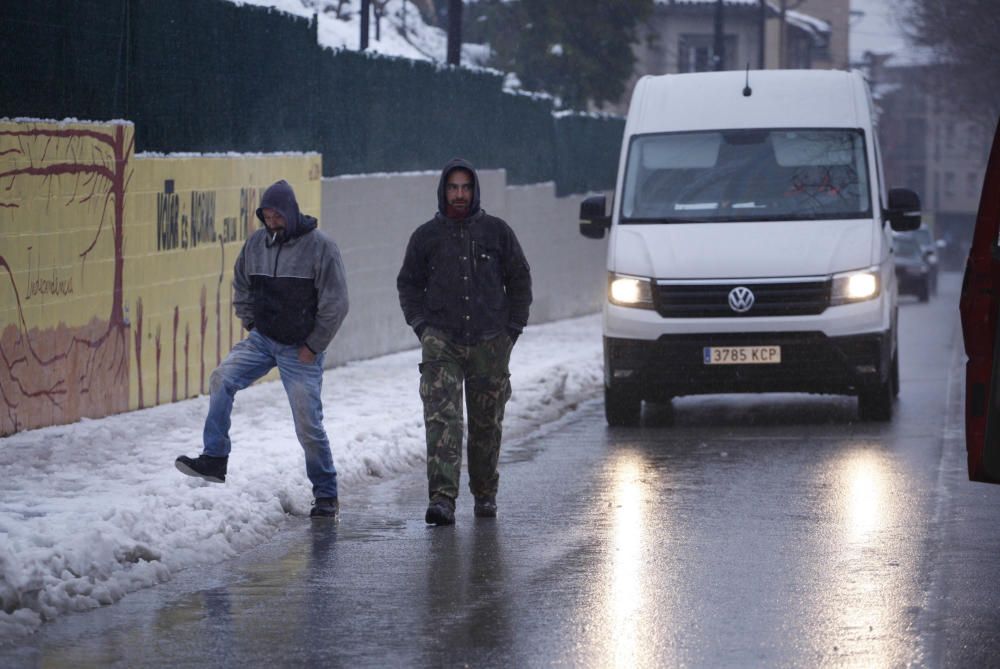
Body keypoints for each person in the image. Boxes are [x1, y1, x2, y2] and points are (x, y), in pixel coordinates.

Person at [175, 179, 349, 520]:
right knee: (221, 378)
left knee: (307, 425)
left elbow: (337, 303)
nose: (271, 222)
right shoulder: (256, 244)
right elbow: (240, 284)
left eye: (277, 216)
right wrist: (252, 325)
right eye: (266, 216)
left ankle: (326, 494)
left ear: (291, 212)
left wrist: (313, 346)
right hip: (263, 339)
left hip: (301, 349)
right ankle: (214, 458)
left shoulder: (321, 248)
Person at [397, 158, 532, 525]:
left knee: (487, 422)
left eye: (466, 188)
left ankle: (485, 493)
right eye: (453, 188)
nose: (459, 194)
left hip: (491, 340)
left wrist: (512, 330)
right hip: (442, 341)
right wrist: (422, 327)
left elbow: (520, 280)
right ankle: (442, 498)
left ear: (474, 191)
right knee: (443, 419)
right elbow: (408, 284)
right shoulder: (426, 236)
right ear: (443, 191)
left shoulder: (497, 233)